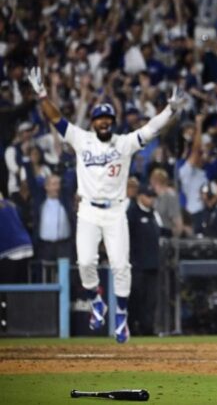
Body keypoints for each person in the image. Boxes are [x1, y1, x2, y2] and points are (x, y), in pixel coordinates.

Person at [26, 67, 184, 343]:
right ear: (93, 121)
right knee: (86, 261)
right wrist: (41, 94)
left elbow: (150, 129)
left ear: (113, 121)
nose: (104, 122)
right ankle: (96, 300)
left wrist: (170, 111)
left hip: (115, 211)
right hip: (87, 209)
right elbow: (56, 118)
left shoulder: (123, 144)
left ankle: (121, 317)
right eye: (100, 118)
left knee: (121, 266)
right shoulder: (81, 138)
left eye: (108, 118)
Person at [127, 183, 163, 336]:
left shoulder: (154, 214)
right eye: (149, 196)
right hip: (137, 265)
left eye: (152, 196)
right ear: (140, 196)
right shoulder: (132, 213)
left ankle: (148, 329)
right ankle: (132, 327)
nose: (151, 200)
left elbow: (162, 231)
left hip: (153, 264)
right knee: (136, 297)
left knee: (151, 300)